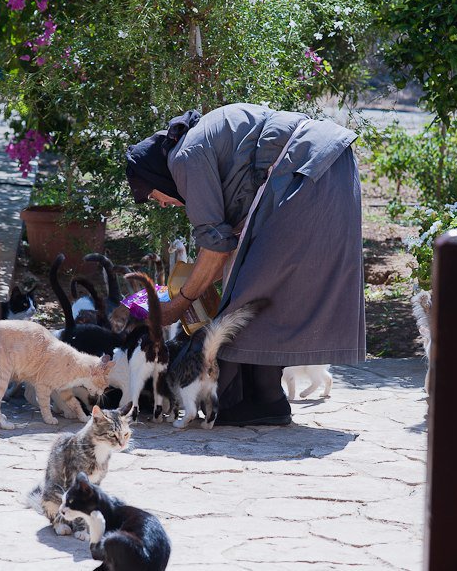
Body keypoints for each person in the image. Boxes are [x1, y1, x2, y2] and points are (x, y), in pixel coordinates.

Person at [125, 103, 365, 426]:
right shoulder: (194, 146)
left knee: (250, 296)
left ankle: (264, 398)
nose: (163, 203)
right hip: (330, 169)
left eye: (156, 196)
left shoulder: (185, 158)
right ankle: (264, 400)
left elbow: (214, 249)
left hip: (310, 173)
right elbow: (221, 242)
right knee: (258, 291)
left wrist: (180, 304)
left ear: (157, 176)